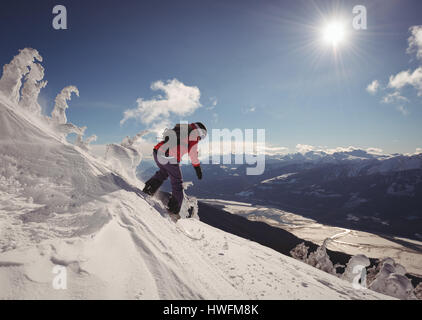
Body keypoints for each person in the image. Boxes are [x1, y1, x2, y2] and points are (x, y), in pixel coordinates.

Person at [142, 122, 207, 215]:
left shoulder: (182, 129)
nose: (200, 139)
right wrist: (198, 169)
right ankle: (173, 210)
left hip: (157, 152)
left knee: (164, 172)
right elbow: (193, 154)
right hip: (169, 157)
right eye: (202, 136)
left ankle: (148, 189)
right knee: (177, 183)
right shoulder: (194, 136)